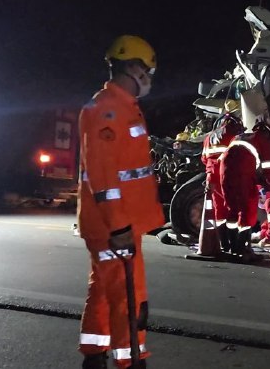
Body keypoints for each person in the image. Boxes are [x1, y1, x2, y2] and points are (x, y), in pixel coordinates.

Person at [77, 35, 164, 369]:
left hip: (121, 222)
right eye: (148, 70)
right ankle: (131, 361)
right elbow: (104, 179)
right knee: (130, 298)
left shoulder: (124, 108)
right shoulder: (106, 110)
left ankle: (94, 354)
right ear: (133, 67)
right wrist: (120, 227)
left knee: (103, 288)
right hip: (114, 225)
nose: (150, 79)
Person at [218, 119, 270, 260]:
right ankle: (242, 249)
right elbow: (268, 166)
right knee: (248, 209)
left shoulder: (240, 136)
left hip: (225, 172)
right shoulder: (263, 140)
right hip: (242, 172)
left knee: (232, 209)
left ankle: (232, 248)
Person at [200, 113, 244, 253]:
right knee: (232, 208)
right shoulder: (232, 136)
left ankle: (223, 243)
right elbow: (238, 157)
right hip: (226, 177)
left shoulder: (209, 138)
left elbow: (204, 159)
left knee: (219, 210)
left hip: (211, 178)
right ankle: (234, 244)